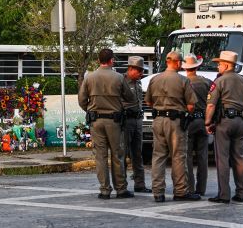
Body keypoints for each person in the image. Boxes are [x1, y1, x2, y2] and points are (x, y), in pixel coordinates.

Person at [205, 51, 243, 203]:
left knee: (222, 158)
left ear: (226, 65)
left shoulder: (220, 81)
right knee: (239, 157)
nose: (218, 66)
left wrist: (207, 122)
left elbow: (211, 105)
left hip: (224, 122)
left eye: (219, 64)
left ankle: (224, 195)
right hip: (242, 122)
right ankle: (241, 193)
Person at [78, 48, 136, 199]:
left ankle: (104, 190)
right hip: (114, 121)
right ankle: (121, 189)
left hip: (96, 121)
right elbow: (130, 98)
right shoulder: (118, 77)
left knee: (100, 156)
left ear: (99, 60)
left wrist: (91, 110)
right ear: (112, 60)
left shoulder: (89, 78)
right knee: (117, 155)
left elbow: (82, 100)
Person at [145, 51, 201, 202]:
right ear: (177, 63)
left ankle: (158, 192)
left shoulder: (154, 79)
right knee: (178, 156)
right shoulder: (183, 80)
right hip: (176, 123)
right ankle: (181, 191)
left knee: (158, 156)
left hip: (158, 121)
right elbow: (191, 106)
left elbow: (149, 102)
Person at [182, 53, 212, 196]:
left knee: (187, 156)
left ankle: (190, 188)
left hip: (188, 121)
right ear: (197, 66)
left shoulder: (183, 82)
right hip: (203, 121)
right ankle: (202, 188)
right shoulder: (206, 82)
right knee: (203, 156)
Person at [122, 56, 152, 193]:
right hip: (126, 121)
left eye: (142, 71)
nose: (142, 74)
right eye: (139, 70)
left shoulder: (138, 83)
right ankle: (121, 185)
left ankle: (140, 184)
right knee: (123, 153)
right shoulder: (121, 81)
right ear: (130, 69)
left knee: (138, 154)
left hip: (138, 120)